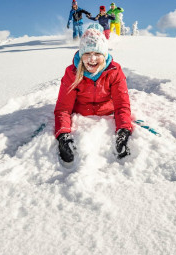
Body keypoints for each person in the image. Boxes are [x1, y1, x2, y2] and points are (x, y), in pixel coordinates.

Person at [54, 23, 135, 163]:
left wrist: (124, 130)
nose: (92, 59)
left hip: (107, 113)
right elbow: (63, 108)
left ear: (104, 54)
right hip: (82, 114)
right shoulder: (71, 73)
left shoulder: (114, 71)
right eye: (87, 53)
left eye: (97, 53)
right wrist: (63, 135)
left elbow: (122, 105)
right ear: (81, 54)